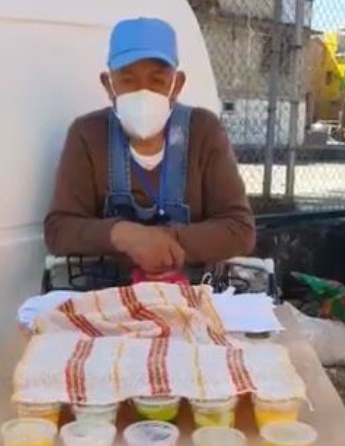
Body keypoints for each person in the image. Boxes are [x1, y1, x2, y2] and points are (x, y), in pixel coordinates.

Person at [44, 17, 255, 278]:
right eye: (128, 80)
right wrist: (123, 235)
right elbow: (59, 230)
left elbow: (240, 229)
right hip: (109, 296)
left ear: (176, 84)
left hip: (194, 294)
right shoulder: (88, 134)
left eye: (156, 81)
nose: (143, 92)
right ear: (108, 85)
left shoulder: (203, 131)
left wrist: (162, 240)